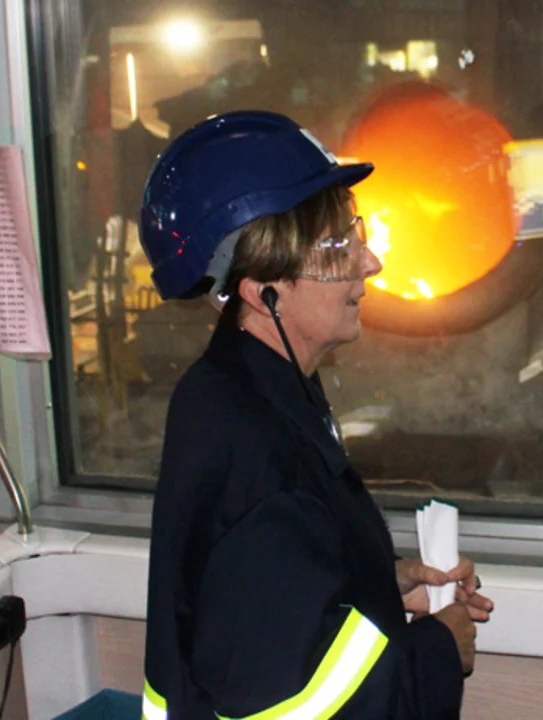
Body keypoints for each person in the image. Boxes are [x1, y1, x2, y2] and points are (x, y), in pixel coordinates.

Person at [138, 111, 492, 719]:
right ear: (263, 293)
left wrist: (378, 585)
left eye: (354, 236)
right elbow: (286, 704)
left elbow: (268, 603)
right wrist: (437, 647)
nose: (370, 263)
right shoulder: (254, 443)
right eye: (335, 249)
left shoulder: (240, 387)